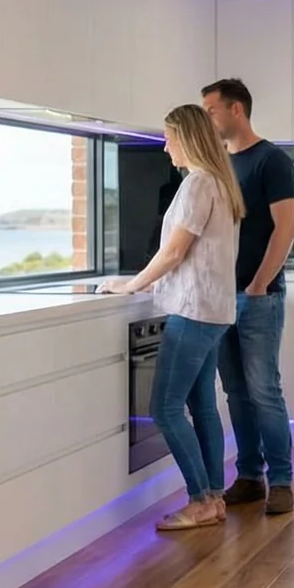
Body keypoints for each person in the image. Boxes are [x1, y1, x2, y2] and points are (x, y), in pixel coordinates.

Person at [101, 104, 245, 531]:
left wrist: (132, 285)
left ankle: (200, 500)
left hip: (194, 312)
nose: (165, 147)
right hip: (214, 310)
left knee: (164, 408)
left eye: (169, 138)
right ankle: (215, 498)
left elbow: (174, 251)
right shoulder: (219, 183)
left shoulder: (199, 184)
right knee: (202, 406)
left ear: (188, 138)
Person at [198, 78, 294, 517]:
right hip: (221, 299)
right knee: (235, 393)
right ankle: (248, 476)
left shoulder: (272, 161)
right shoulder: (220, 164)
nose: (207, 119)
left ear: (236, 110)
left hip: (259, 298)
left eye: (211, 111)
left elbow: (287, 228)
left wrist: (258, 285)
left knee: (264, 392)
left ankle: (281, 481)